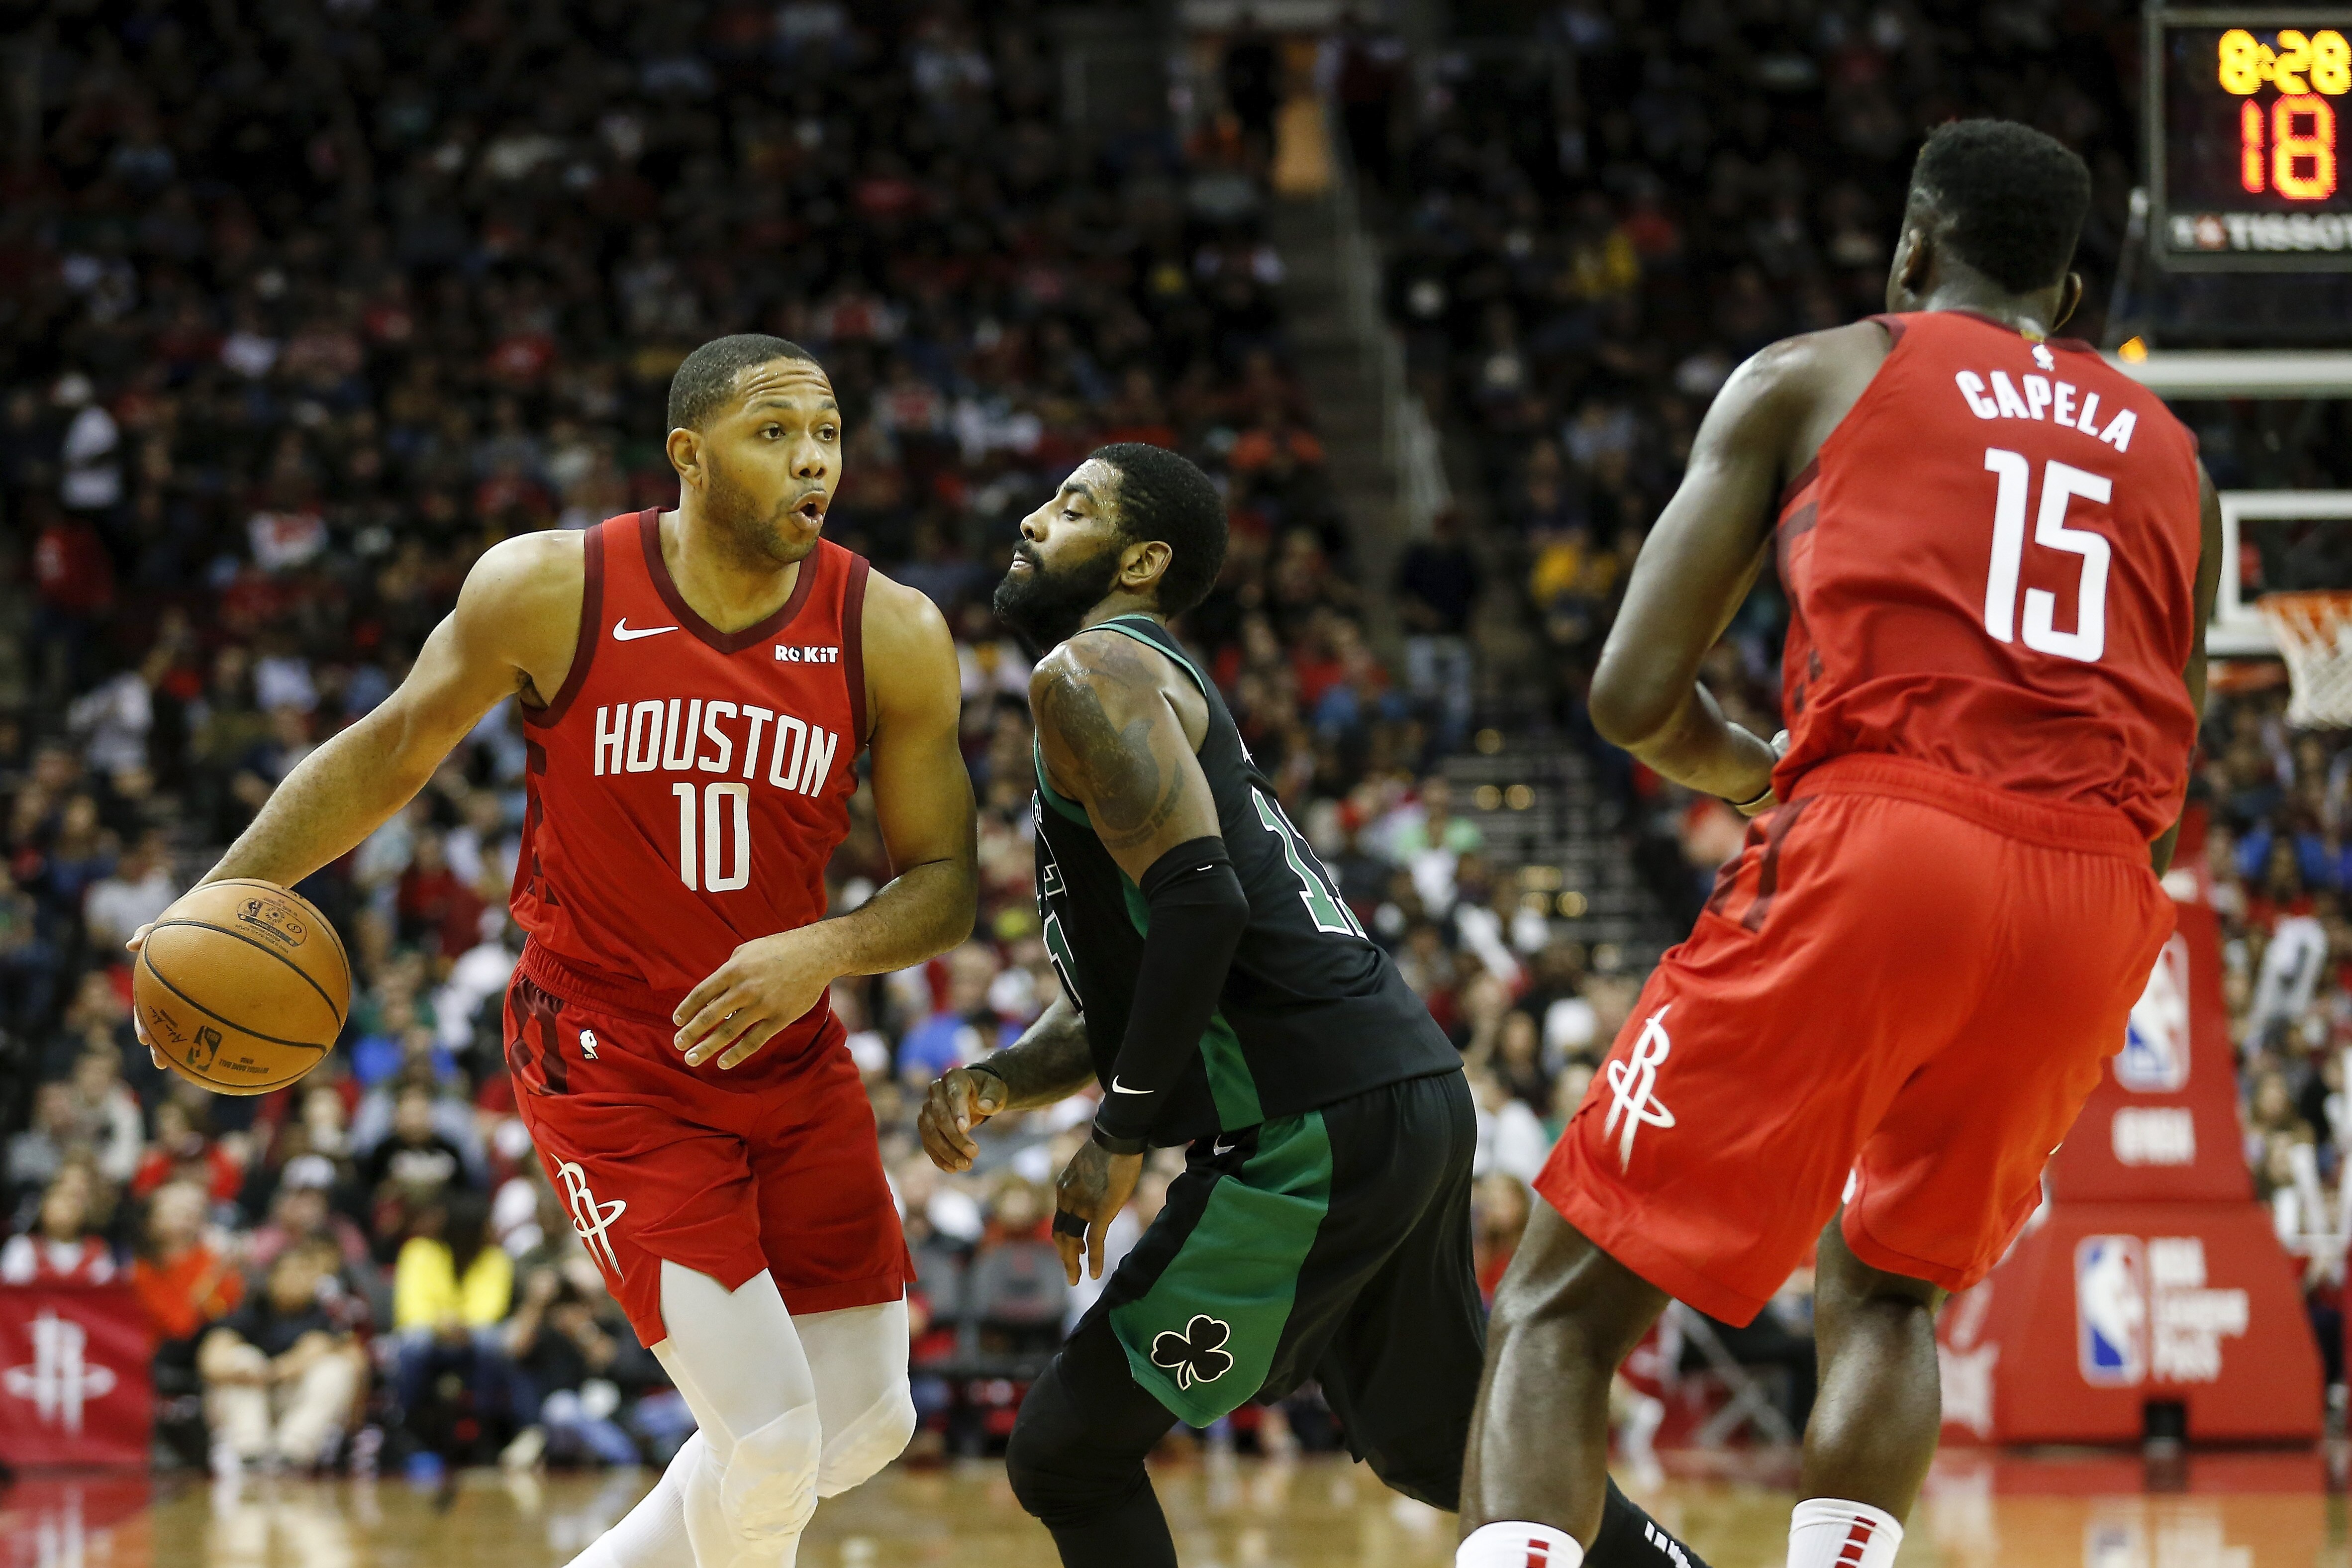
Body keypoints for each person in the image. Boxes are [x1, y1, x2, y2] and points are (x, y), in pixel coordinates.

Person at [1455, 120, 2218, 1568]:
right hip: (2095, 893)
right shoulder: (2173, 453)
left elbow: (1630, 694)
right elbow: (2171, 775)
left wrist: (1753, 777)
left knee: (1556, 1310)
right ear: (2064, 302)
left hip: (1886, 836)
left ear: (1913, 248)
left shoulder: (1822, 370)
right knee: (1887, 1295)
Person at [132, 334, 977, 1567]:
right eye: (776, 433)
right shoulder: (552, 586)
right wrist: (216, 891)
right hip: (610, 1057)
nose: (814, 462)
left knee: (865, 1421)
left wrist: (826, 949)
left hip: (789, 1050)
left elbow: (947, 885)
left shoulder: (888, 628)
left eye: (829, 433)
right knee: (775, 1441)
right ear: (689, 455)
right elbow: (388, 749)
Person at [917, 442, 1490, 1568]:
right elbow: (1138, 990)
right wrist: (999, 1078)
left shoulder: (1089, 674)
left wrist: (1117, 1132)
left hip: (1313, 1116)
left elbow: (1201, 906)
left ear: (1141, 561)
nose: (1031, 520)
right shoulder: (1128, 684)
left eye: (1071, 507)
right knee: (1452, 1454)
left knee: (1066, 1452)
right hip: (1391, 1088)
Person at [199, 1241, 369, 1474]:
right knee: (243, 1357)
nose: (295, 1278)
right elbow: (211, 1359)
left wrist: (309, 1358)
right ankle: (249, 1454)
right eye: (288, 1271)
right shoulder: (251, 1311)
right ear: (272, 1277)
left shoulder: (328, 1318)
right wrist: (254, 1371)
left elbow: (357, 1363)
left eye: (304, 1271)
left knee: (337, 1369)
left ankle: (293, 1455)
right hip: (249, 1398)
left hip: (294, 1400)